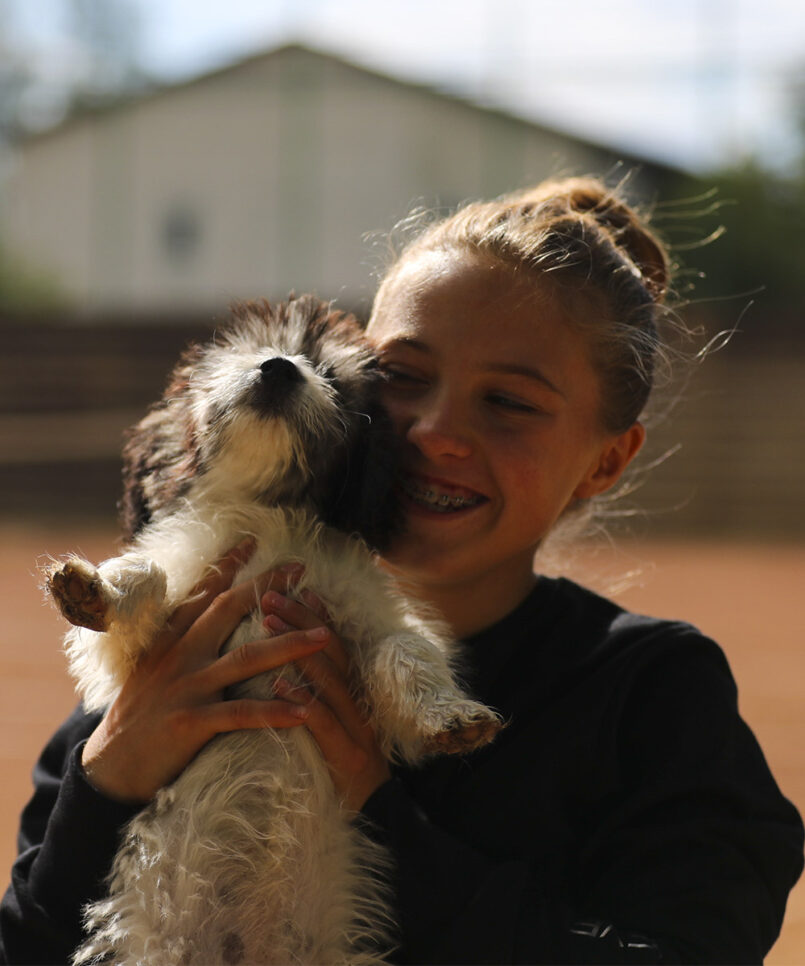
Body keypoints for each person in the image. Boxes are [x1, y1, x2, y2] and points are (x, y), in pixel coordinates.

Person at [1, 177, 802, 965]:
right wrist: (105, 781)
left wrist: (380, 812)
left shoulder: (652, 696)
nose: (435, 431)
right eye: (402, 379)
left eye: (510, 403)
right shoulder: (178, 664)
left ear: (605, 461)